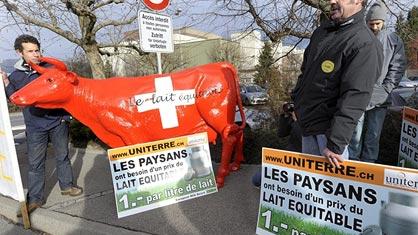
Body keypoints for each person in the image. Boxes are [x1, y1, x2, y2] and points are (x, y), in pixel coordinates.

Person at [291, 0, 383, 168]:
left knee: (327, 192)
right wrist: (296, 102)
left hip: (328, 137)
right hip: (306, 126)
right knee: (307, 190)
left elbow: (355, 96)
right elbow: (306, 72)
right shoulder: (322, 32)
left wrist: (336, 143)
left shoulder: (364, 43)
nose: (331, 1)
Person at [1, 34, 82, 215]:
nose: (35, 54)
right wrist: (6, 82)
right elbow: (15, 99)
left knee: (62, 157)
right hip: (35, 126)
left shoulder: (51, 69)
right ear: (19, 53)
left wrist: (65, 117)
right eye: (30, 51)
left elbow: (65, 91)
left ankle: (67, 186)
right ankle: (35, 199)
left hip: (57, 121)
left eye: (37, 50)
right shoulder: (16, 76)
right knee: (35, 164)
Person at [348, 0, 406, 163]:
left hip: (381, 97)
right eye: (371, 23)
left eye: (377, 23)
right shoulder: (358, 37)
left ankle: (369, 163)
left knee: (374, 134)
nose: (374, 27)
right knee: (354, 133)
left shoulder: (393, 40)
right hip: (358, 94)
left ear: (384, 22)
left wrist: (386, 88)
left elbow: (398, 66)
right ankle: (352, 162)